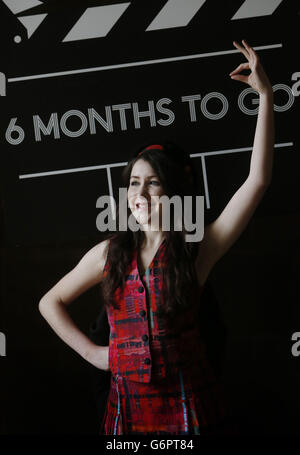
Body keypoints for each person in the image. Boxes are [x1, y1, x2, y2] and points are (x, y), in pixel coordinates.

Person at [38, 40, 274, 435]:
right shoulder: (108, 254)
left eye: (153, 183)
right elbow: (50, 301)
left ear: (174, 191)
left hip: (192, 411)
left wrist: (266, 96)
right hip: (127, 415)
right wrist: (94, 354)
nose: (140, 194)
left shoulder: (200, 247)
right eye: (133, 183)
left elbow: (258, 180)